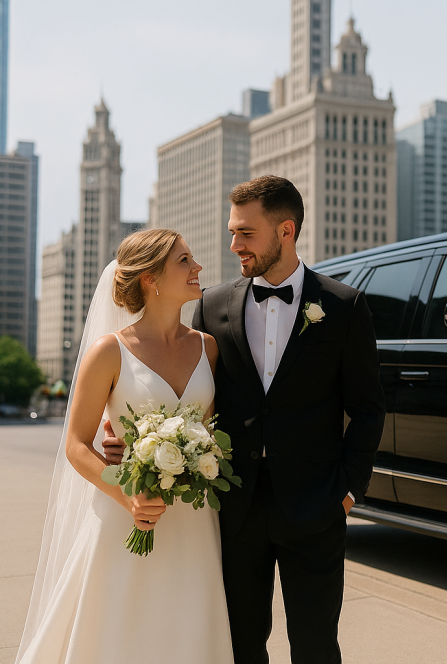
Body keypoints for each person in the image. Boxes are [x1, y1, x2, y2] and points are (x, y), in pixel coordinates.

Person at [105, 175, 385, 663]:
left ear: (286, 230)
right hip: (234, 511)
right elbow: (188, 402)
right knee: (240, 645)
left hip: (317, 508)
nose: (233, 245)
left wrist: (348, 491)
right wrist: (128, 442)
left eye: (246, 233)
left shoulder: (344, 307)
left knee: (317, 647)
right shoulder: (212, 307)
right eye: (232, 232)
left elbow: (367, 410)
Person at [16, 229, 234, 663]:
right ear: (150, 279)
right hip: (126, 514)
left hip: (194, 520)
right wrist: (128, 495)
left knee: (188, 632)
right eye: (184, 261)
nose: (198, 268)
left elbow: (210, 434)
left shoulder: (207, 347)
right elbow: (77, 444)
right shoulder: (109, 352)